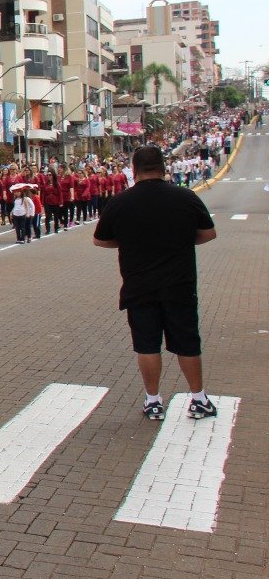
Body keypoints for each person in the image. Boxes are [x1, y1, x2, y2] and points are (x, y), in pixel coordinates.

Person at [94, 145, 219, 421]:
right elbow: (208, 233)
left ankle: (153, 401)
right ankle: (198, 399)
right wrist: (182, 242)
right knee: (187, 342)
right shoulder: (186, 197)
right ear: (163, 168)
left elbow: (100, 239)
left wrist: (128, 242)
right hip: (180, 285)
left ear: (134, 169)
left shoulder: (120, 202)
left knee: (147, 345)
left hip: (139, 286)